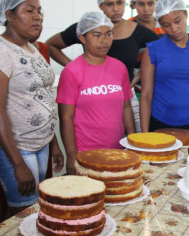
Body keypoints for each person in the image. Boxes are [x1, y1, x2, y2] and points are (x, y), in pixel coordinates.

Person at [0, 0, 63, 222]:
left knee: (38, 206)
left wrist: (53, 143)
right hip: (16, 147)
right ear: (9, 15)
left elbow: (41, 98)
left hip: (40, 142)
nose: (38, 16)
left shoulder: (32, 48)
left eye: (39, 11)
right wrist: (17, 164)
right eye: (29, 11)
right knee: (22, 214)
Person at [45, 0, 159, 132]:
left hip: (126, 100)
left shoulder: (138, 31)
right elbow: (51, 45)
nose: (116, 9)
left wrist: (138, 75)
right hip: (92, 97)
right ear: (101, 6)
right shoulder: (87, 27)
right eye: (109, 4)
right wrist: (75, 67)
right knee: (97, 142)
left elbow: (162, 52)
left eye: (119, 2)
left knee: (133, 144)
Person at [57, 11, 135, 174]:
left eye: (108, 34)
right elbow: (66, 117)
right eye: (97, 35)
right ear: (82, 38)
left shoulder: (119, 68)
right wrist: (71, 155)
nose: (104, 41)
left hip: (117, 151)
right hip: (86, 154)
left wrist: (132, 143)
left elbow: (126, 107)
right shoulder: (72, 71)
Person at [139, 0, 189, 138]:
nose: (174, 29)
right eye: (166, 25)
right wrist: (144, 134)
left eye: (177, 21)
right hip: (158, 123)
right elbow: (146, 94)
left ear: (186, 15)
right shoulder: (152, 50)